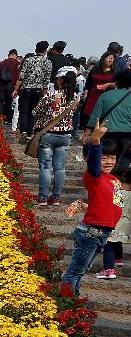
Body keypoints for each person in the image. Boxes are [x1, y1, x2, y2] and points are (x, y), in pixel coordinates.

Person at [62, 121, 125, 295]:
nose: (109, 161)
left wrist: (85, 205)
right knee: (75, 270)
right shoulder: (94, 176)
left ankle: (71, 301)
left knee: (81, 271)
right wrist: (95, 141)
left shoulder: (113, 180)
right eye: (104, 158)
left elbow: (109, 204)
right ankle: (65, 302)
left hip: (103, 233)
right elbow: (94, 166)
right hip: (91, 232)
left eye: (112, 158)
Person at [32, 67, 78, 206]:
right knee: (60, 168)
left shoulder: (51, 95)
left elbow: (36, 111)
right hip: (65, 136)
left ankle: (43, 197)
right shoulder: (75, 98)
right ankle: (56, 197)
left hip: (48, 134)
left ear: (61, 80)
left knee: (45, 167)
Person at [83, 70, 131, 179]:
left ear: (116, 81)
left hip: (107, 132)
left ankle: (106, 180)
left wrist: (87, 133)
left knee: (106, 158)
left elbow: (96, 116)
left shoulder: (106, 95)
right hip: (127, 134)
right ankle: (118, 180)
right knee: (121, 159)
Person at [14, 41, 53, 139]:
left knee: (23, 111)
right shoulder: (48, 62)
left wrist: (15, 89)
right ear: (45, 50)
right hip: (38, 89)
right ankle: (29, 133)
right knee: (33, 112)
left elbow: (21, 76)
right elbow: (47, 78)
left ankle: (23, 131)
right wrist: (44, 91)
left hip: (26, 88)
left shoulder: (28, 60)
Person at [96, 179, 129, 279]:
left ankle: (109, 269)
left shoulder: (120, 193)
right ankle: (118, 259)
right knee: (118, 241)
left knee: (109, 245)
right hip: (126, 224)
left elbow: (114, 207)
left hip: (117, 221)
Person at [82, 53, 116, 129]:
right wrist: (86, 93)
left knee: (103, 114)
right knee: (90, 114)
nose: (110, 60)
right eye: (109, 58)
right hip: (93, 95)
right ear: (103, 59)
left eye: (112, 58)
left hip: (107, 95)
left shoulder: (114, 71)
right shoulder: (95, 69)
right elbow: (88, 83)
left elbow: (117, 84)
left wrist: (108, 84)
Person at [0, 50, 21, 126]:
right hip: (11, 85)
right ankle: (9, 119)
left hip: (1, 84)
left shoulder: (2, 63)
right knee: (10, 103)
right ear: (15, 55)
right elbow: (19, 76)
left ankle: (0, 119)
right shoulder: (17, 63)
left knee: (1, 102)